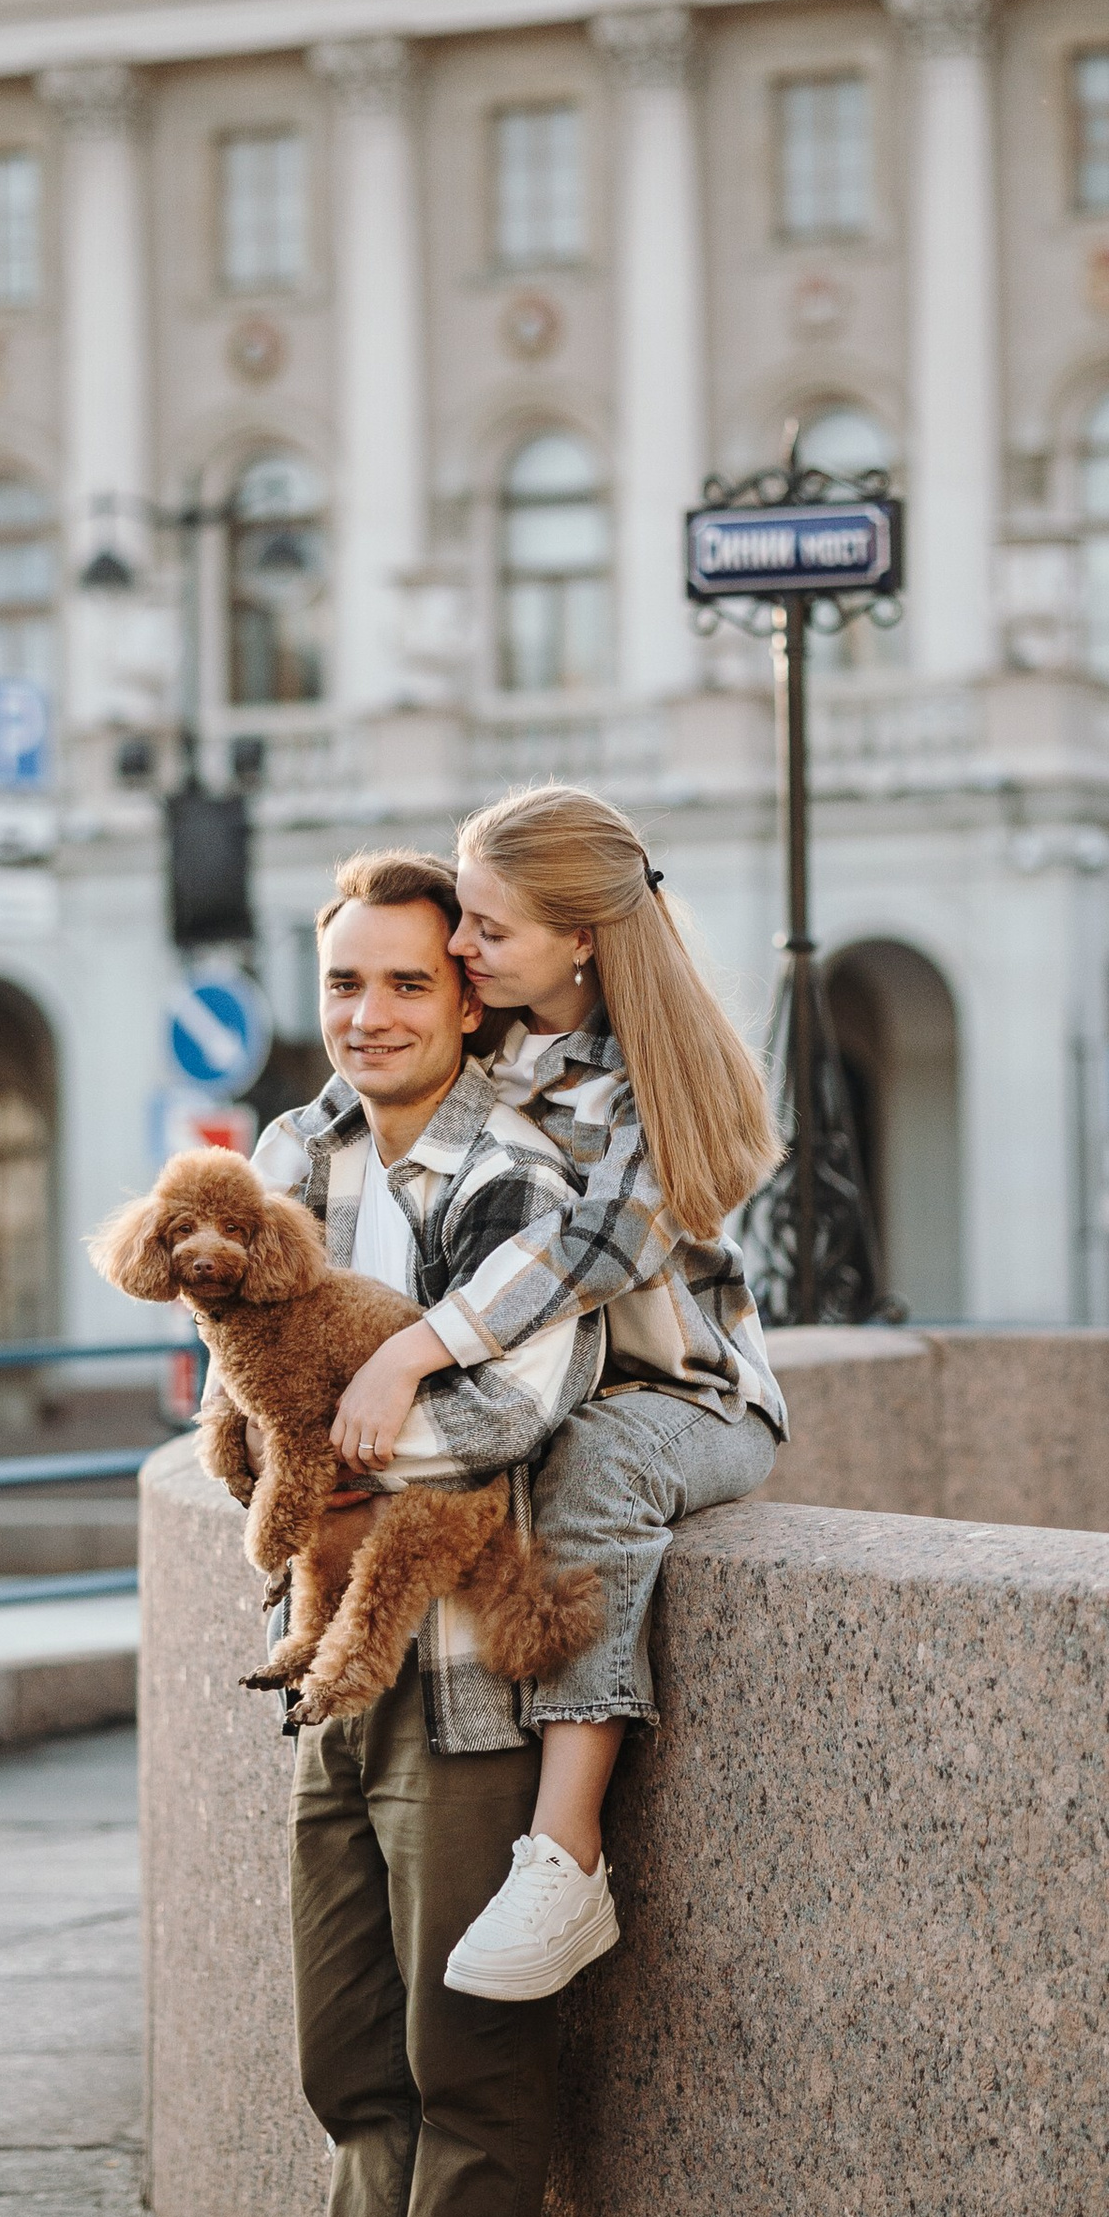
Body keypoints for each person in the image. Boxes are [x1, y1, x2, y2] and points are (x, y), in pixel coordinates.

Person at [140, 850, 604, 2217]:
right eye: (346, 983)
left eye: (408, 981)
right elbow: (240, 1397)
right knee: (347, 2043)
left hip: (468, 1659)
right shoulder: (286, 1156)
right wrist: (311, 1460)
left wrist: (332, 1432)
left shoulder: (526, 1167)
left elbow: (517, 1412)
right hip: (325, 1646)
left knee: (463, 2041)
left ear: (465, 993)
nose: (372, 1013)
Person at [325, 785, 785, 2008]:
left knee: (594, 1462)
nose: (460, 949)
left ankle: (565, 1853)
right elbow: (350, 1115)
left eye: (487, 929)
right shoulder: (491, 1037)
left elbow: (589, 1252)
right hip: (542, 1383)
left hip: (686, 1398)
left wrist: (413, 1348)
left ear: (581, 937)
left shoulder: (650, 1079)